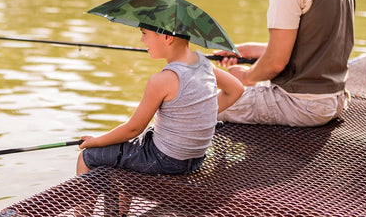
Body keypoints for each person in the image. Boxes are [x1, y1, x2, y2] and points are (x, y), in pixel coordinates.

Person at [215, 0, 355, 127]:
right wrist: (251, 50)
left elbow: (275, 63)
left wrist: (246, 77)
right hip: (335, 99)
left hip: (299, 104)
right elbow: (321, 44)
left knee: (193, 104)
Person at [76, 26, 244, 176]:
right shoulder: (204, 65)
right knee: (132, 144)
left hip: (166, 160)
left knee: (87, 156)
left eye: (144, 33)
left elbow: (133, 128)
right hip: (196, 158)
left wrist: (96, 141)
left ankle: (82, 212)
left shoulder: (162, 80)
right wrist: (198, 115)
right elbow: (236, 89)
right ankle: (120, 211)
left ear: (167, 37)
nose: (141, 39)